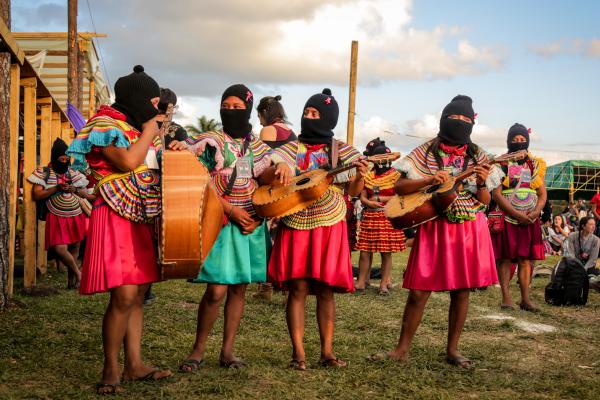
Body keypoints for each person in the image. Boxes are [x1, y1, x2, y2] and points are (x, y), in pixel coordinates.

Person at [370, 95, 501, 369]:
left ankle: (452, 350)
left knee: (461, 291)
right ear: (444, 119)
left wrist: (481, 183)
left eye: (467, 120)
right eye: (455, 118)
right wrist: (431, 179)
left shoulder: (479, 156)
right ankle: (402, 349)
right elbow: (400, 187)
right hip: (434, 225)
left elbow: (485, 203)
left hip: (468, 227)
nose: (460, 123)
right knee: (419, 290)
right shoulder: (425, 152)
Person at [67, 65, 172, 394]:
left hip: (141, 213)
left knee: (138, 292)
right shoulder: (105, 123)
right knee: (124, 294)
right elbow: (127, 162)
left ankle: (134, 365)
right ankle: (110, 367)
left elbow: (149, 162)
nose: (156, 110)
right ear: (141, 99)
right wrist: (149, 132)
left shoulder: (133, 126)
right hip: (114, 213)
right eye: (153, 102)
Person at [172, 84, 274, 371]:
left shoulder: (257, 147)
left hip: (250, 222)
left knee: (239, 288)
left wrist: (279, 170)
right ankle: (197, 351)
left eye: (237, 107)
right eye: (225, 106)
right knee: (216, 290)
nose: (230, 111)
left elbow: (262, 175)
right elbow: (196, 177)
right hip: (220, 219)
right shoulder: (209, 141)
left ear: (249, 109)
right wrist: (230, 209)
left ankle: (228, 352)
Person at [268, 89, 369, 370]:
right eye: (306, 113)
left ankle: (327, 352)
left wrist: (360, 176)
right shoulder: (291, 147)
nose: (308, 118)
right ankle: (298, 353)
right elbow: (277, 162)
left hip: (329, 222)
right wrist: (283, 168)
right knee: (297, 288)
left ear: (328, 118)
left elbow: (354, 190)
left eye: (314, 114)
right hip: (295, 218)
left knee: (326, 289)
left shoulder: (344, 151)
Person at [491, 123, 547, 312]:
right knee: (505, 258)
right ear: (508, 141)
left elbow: (542, 193)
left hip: (530, 218)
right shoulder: (500, 163)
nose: (519, 142)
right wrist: (515, 214)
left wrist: (536, 211)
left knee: (525, 260)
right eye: (514, 140)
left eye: (522, 140)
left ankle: (525, 299)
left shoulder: (535, 163)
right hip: (508, 217)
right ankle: (506, 298)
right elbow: (496, 193)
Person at [28, 138, 93, 289]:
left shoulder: (73, 172)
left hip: (76, 212)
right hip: (56, 214)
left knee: (75, 247)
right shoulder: (43, 172)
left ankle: (71, 282)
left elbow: (84, 191)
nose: (64, 161)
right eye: (61, 159)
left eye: (66, 159)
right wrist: (56, 188)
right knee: (59, 248)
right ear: (54, 158)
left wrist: (74, 189)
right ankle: (78, 273)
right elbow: (37, 195)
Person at [253, 95, 297, 301]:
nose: (259, 120)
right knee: (280, 236)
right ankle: (282, 280)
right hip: (288, 187)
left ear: (264, 113)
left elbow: (262, 159)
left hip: (271, 187)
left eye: (259, 115)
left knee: (266, 235)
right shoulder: (291, 132)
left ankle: (266, 285)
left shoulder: (268, 130)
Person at [354, 138, 406, 295]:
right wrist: (367, 202)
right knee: (364, 250)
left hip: (387, 217)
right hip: (370, 216)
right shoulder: (369, 176)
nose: (384, 162)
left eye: (386, 158)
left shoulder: (396, 176)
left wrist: (379, 199)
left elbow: (400, 197)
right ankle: (361, 281)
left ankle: (384, 283)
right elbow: (362, 196)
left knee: (386, 252)